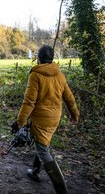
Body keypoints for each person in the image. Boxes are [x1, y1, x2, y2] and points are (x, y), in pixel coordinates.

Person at [14, 45, 79, 194]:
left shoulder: (36, 75)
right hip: (55, 118)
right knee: (43, 143)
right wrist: (75, 114)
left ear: (39, 58)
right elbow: (69, 97)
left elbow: (29, 101)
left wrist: (20, 121)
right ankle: (35, 171)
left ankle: (61, 189)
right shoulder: (60, 75)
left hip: (41, 119)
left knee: (43, 150)